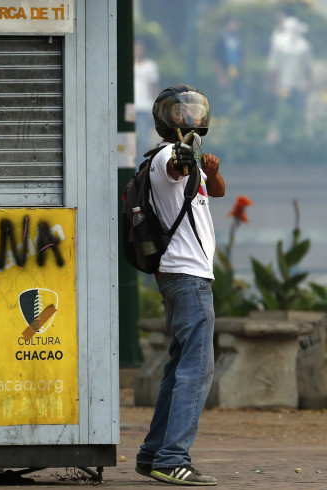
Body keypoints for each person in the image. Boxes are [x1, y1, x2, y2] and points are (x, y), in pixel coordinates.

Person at [134, 84, 225, 486]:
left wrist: (213, 171)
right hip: (188, 276)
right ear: (164, 117)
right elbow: (176, 169)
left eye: (193, 110)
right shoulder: (171, 156)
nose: (188, 117)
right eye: (179, 111)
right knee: (197, 369)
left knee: (178, 368)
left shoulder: (190, 157)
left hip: (182, 276)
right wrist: (188, 158)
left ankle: (152, 453)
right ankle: (173, 458)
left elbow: (215, 190)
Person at [265, 16, 312, 144]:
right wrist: (308, 85)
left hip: (282, 85)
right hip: (298, 85)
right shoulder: (305, 46)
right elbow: (308, 70)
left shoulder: (279, 45)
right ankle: (298, 139)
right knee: (297, 112)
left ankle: (283, 139)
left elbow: (272, 68)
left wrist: (271, 85)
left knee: (282, 112)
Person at [133, 37, 159, 162]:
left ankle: (142, 169)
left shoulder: (150, 66)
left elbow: (154, 87)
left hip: (144, 108)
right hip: (129, 109)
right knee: (128, 141)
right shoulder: (126, 65)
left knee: (144, 142)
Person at [212, 18, 245, 113]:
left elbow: (241, 57)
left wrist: (244, 73)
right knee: (225, 97)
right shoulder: (221, 39)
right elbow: (215, 59)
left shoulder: (238, 39)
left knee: (238, 95)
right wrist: (221, 75)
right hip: (225, 71)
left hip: (236, 71)